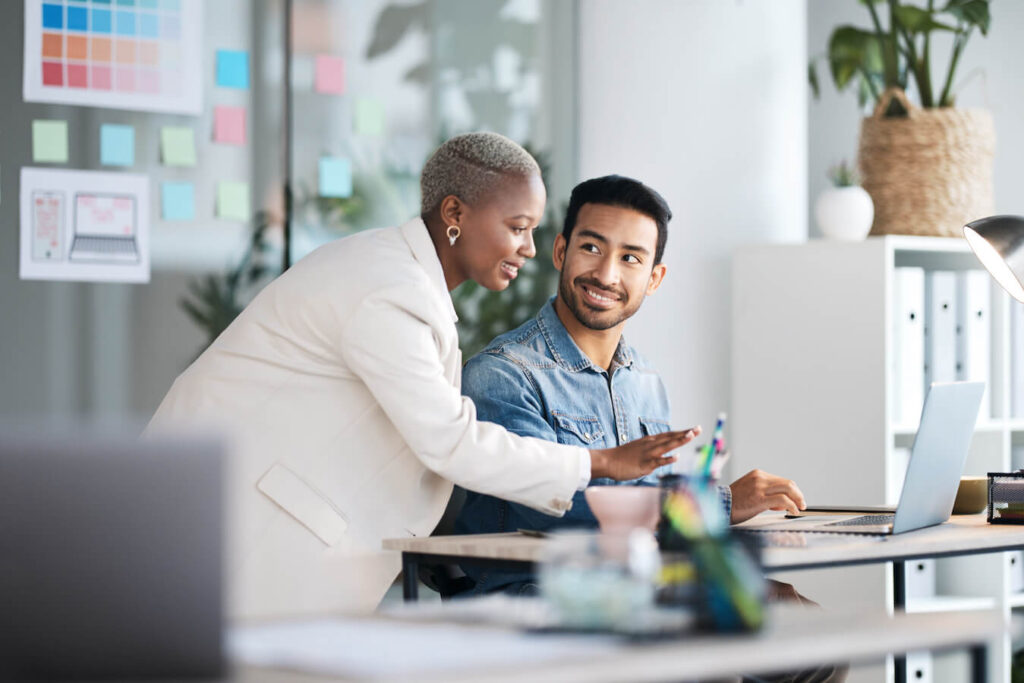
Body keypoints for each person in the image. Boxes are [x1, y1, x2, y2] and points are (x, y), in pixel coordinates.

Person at [145, 135, 698, 619]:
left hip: (253, 523)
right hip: (243, 528)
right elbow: (450, 441)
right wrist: (601, 462)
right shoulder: (391, 289)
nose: (530, 249)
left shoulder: (407, 283)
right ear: (455, 212)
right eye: (518, 227)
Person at [454, 175, 808, 596]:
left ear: (654, 279)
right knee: (757, 627)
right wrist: (721, 503)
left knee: (790, 610)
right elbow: (548, 508)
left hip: (634, 584)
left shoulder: (644, 380)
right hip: (537, 596)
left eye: (630, 259)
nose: (606, 274)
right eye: (591, 248)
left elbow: (655, 510)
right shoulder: (503, 373)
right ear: (561, 250)